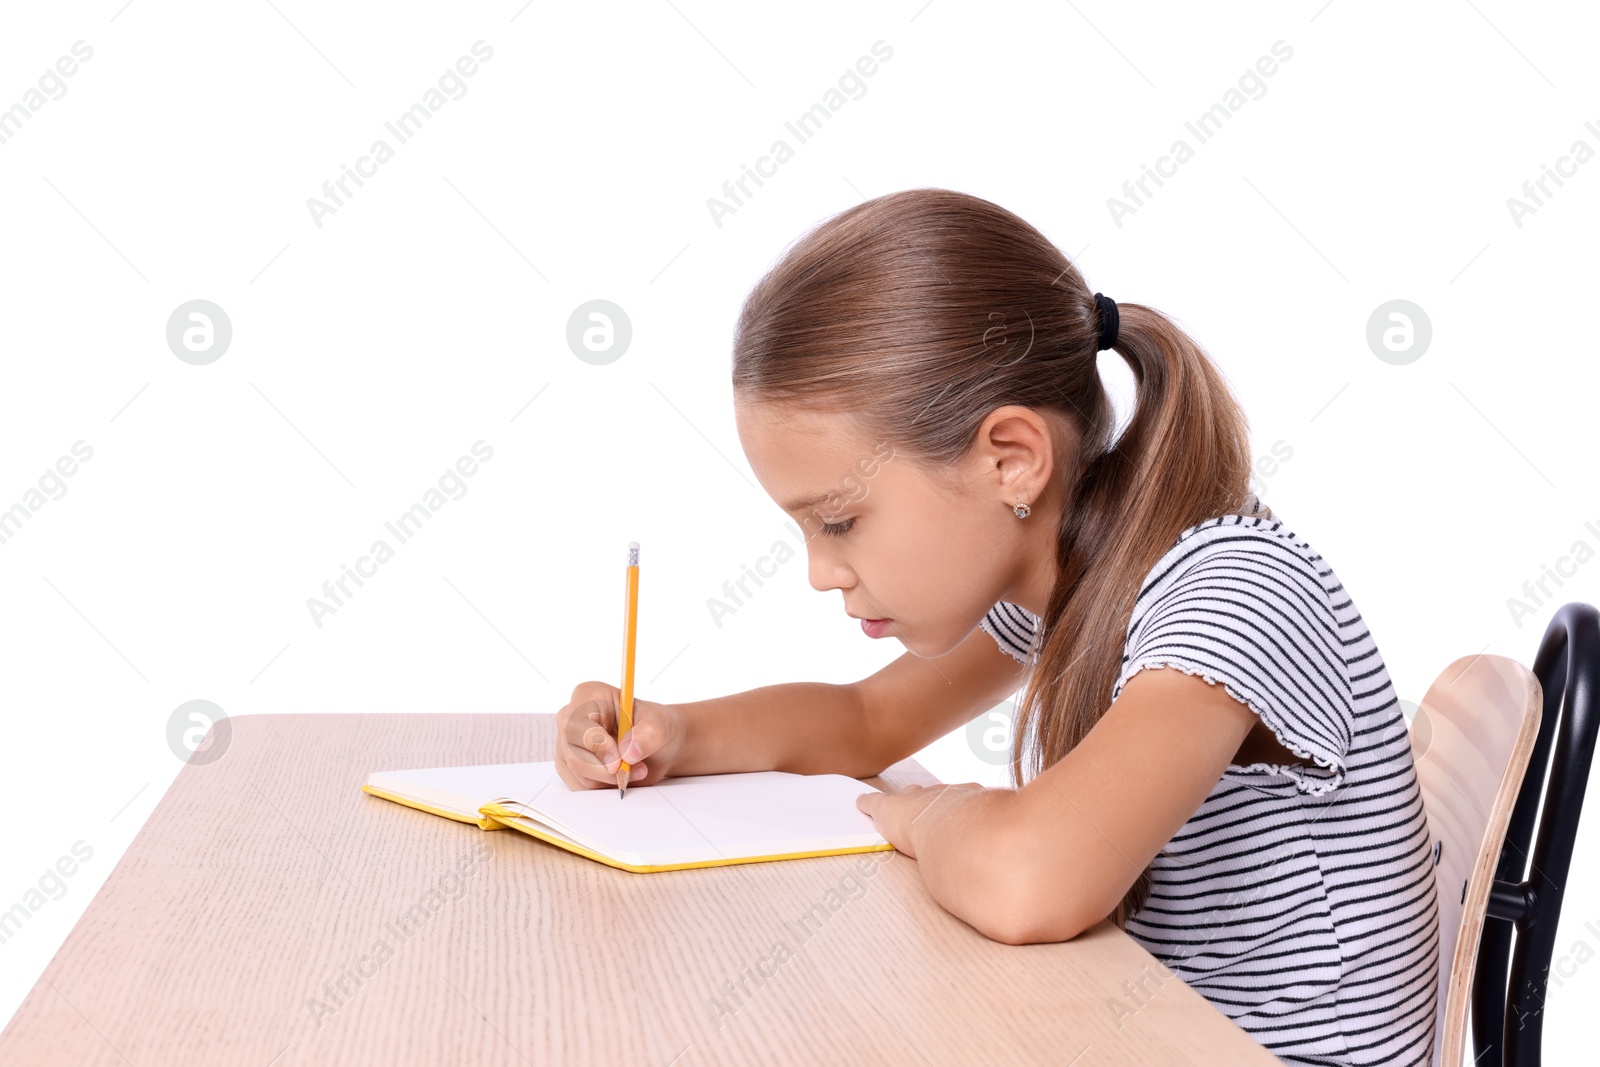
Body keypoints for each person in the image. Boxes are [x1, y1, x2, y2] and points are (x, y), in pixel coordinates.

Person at [553, 188, 1439, 1066]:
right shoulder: (1077, 570)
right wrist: (673, 732)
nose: (822, 572)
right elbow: (870, 722)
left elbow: (1030, 881)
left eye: (839, 520)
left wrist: (935, 815)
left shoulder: (1231, 591)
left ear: (1009, 459)